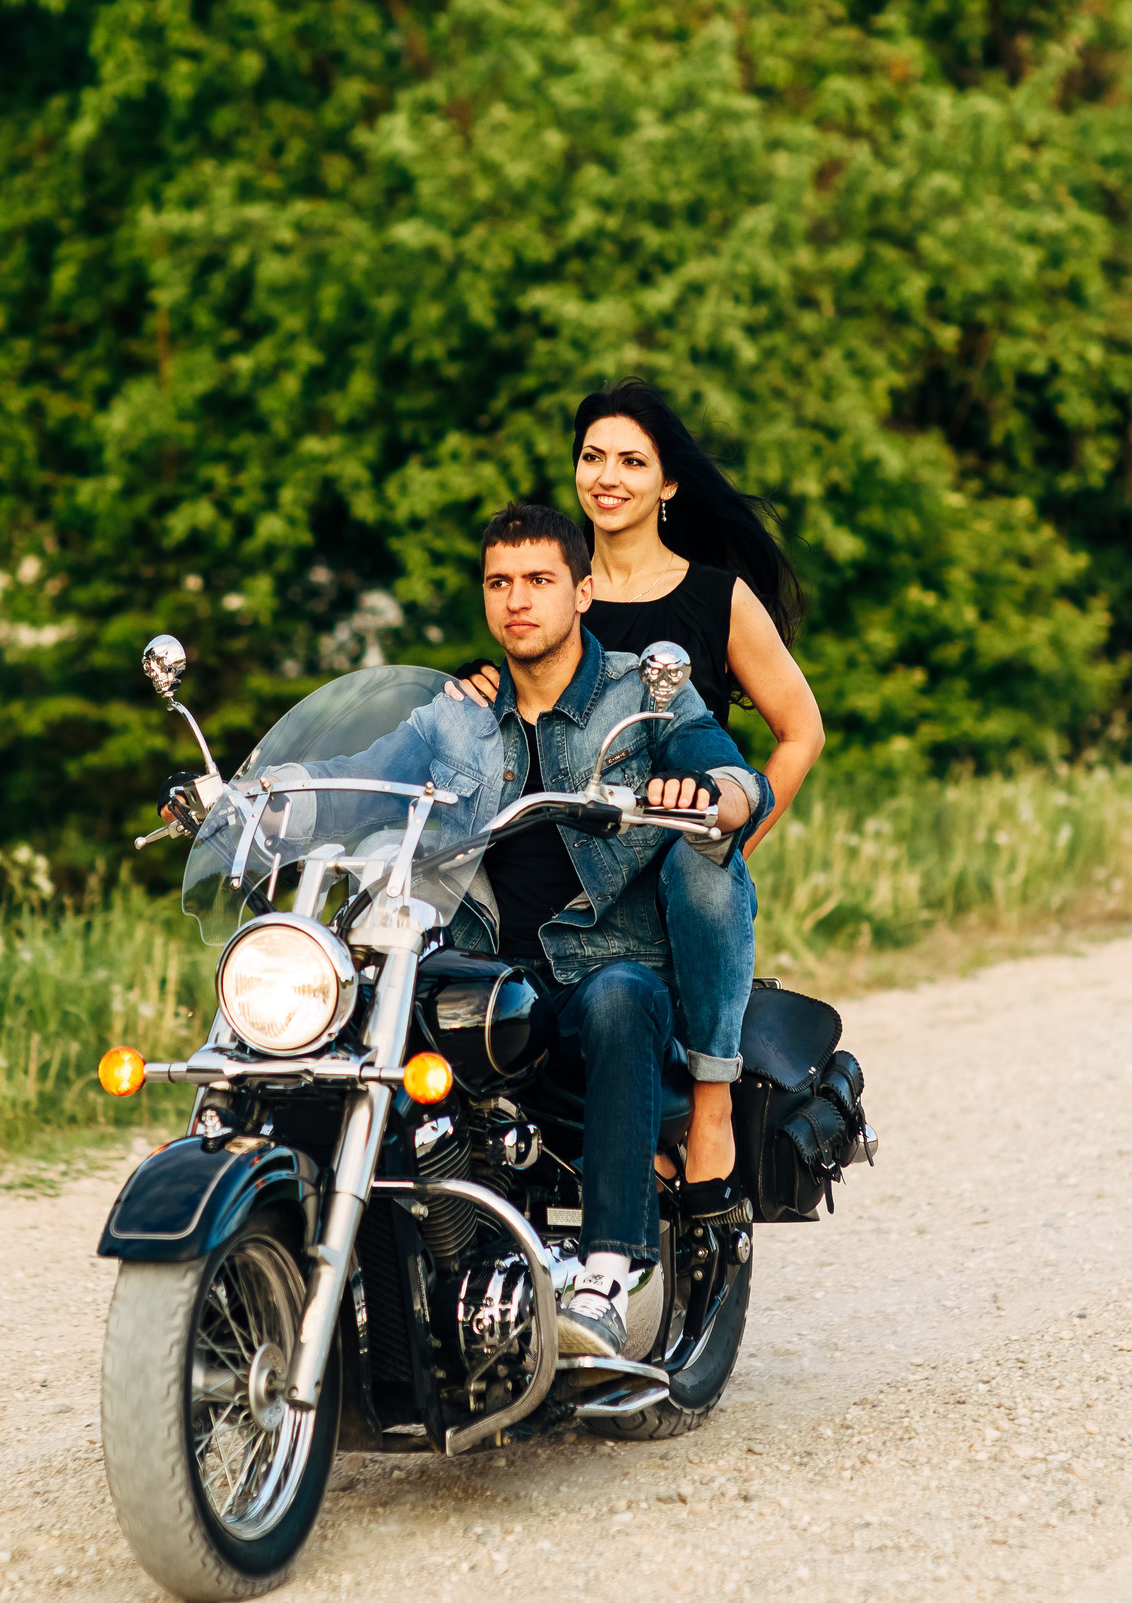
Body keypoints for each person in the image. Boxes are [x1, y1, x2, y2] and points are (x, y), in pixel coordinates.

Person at [196, 503, 772, 1359]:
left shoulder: (638, 696)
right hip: (486, 980)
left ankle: (609, 1272)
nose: (517, 601)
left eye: (539, 581)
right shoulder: (456, 714)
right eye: (500, 582)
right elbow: (361, 777)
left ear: (582, 591)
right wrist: (263, 797)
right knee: (341, 1009)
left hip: (601, 984)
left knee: (621, 995)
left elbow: (724, 766)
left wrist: (714, 796)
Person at [456, 381, 825, 1209]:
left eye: (632, 460)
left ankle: (711, 1105)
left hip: (669, 846)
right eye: (592, 457)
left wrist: (728, 840)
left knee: (696, 861)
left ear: (668, 484)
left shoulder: (713, 594)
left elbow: (800, 731)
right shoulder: (544, 589)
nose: (607, 476)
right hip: (558, 865)